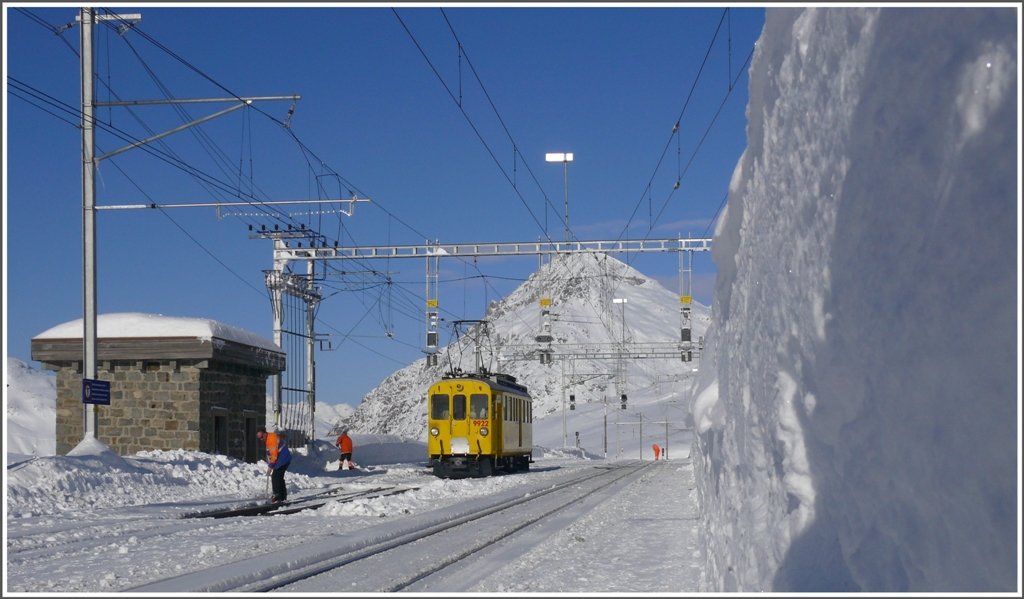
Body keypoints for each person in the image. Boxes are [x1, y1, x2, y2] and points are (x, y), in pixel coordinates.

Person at [256, 425, 291, 503]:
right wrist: (270, 463)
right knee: (279, 477)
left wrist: (270, 467)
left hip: (283, 458)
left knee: (276, 476)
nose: (261, 439)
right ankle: (282, 496)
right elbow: (270, 453)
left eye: (261, 436)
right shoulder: (268, 438)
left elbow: (274, 455)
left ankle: (277, 495)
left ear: (264, 433)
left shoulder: (271, 439)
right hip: (282, 458)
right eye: (259, 437)